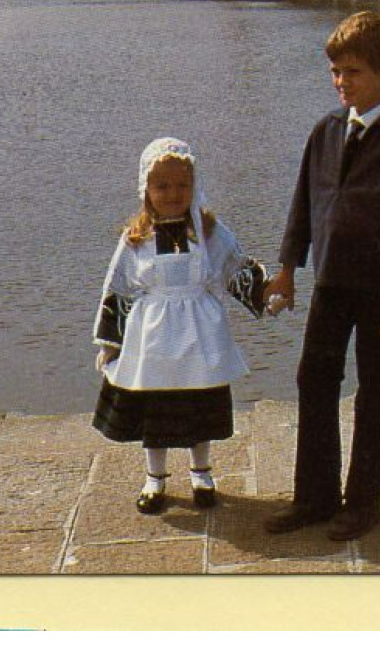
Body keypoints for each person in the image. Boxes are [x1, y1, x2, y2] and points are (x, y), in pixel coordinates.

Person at [264, 12, 380, 542]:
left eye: (354, 72)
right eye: (336, 72)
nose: (342, 82)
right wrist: (289, 268)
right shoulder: (325, 131)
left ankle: (364, 501)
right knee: (313, 380)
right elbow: (304, 204)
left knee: (375, 391)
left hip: (379, 292)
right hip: (330, 284)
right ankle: (315, 496)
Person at [92, 137, 268, 514]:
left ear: (195, 185)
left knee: (197, 404)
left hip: (199, 333)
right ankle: (154, 480)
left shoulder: (208, 233)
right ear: (146, 190)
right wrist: (111, 342)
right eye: (162, 186)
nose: (173, 193)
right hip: (151, 339)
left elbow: (233, 267)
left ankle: (201, 474)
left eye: (182, 185)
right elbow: (119, 287)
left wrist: (267, 292)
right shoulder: (135, 239)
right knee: (156, 410)